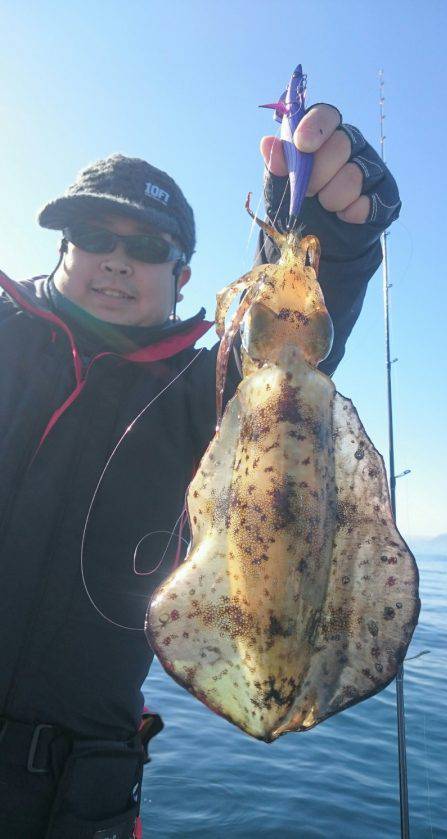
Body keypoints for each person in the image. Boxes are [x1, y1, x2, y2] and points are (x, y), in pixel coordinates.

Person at [0, 104, 400, 838]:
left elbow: (277, 366)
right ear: (62, 250)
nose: (118, 259)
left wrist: (330, 249)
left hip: (77, 801)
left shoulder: (204, 400)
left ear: (184, 277)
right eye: (95, 237)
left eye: (147, 247)